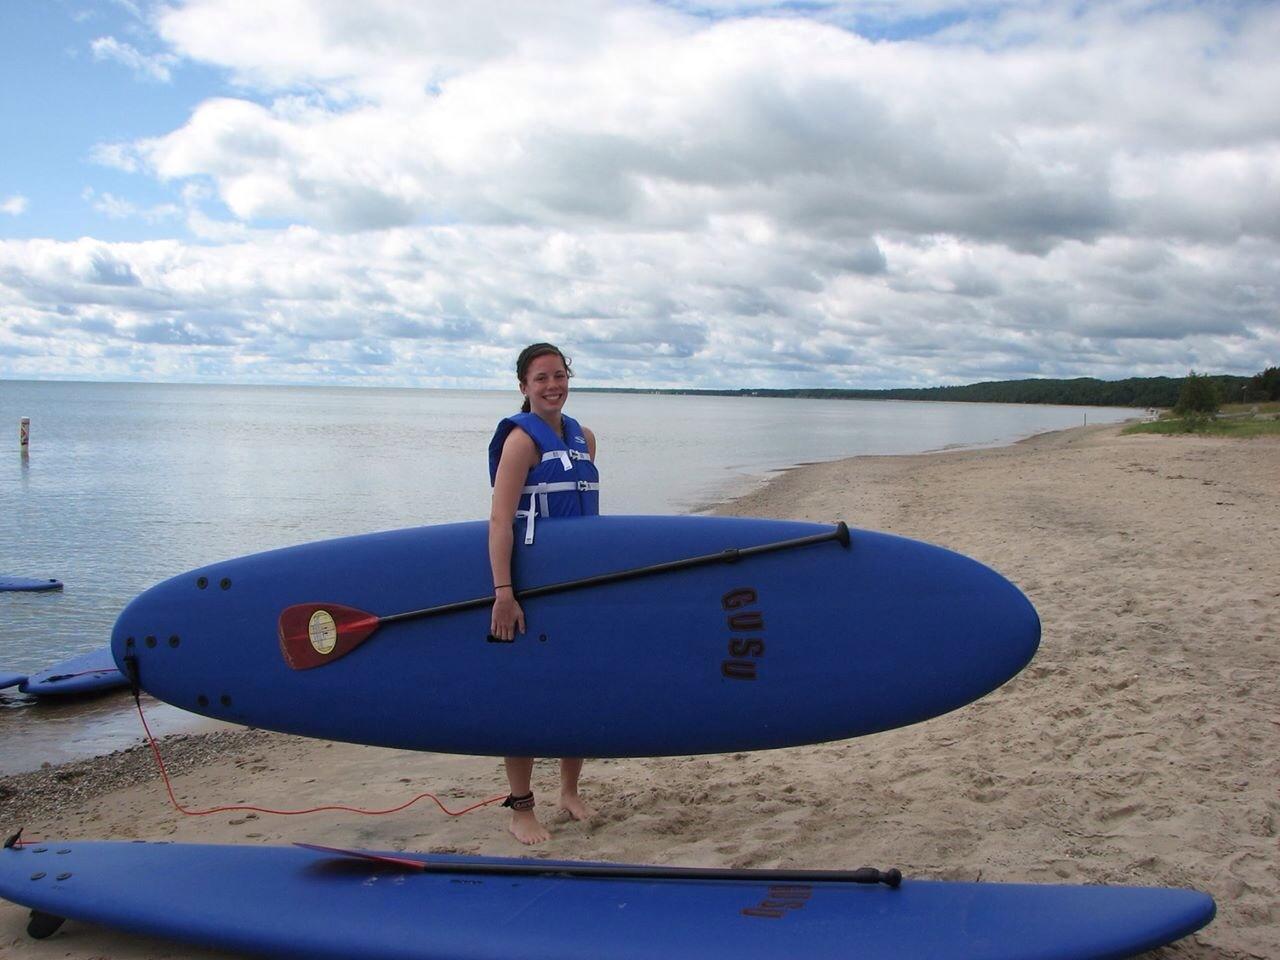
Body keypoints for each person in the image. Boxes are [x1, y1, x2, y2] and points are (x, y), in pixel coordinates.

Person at [488, 342, 600, 844]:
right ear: (524, 386)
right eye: (541, 378)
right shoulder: (520, 442)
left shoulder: (585, 438)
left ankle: (569, 791)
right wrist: (504, 592)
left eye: (559, 375)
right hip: (532, 588)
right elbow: (499, 521)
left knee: (578, 691)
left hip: (579, 587)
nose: (553, 386)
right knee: (526, 698)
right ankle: (521, 808)